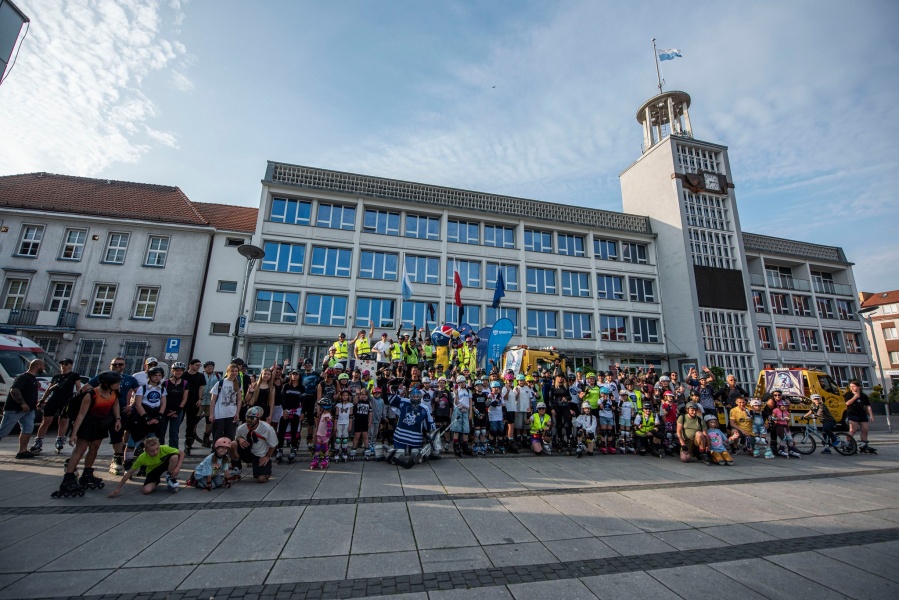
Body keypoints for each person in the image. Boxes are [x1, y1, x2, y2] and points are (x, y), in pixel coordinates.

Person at [51, 371, 122, 498]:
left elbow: (115, 404)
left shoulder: (114, 392)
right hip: (87, 424)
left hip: (101, 423)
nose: (118, 385)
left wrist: (118, 419)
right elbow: (81, 415)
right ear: (106, 384)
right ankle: (68, 479)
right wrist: (74, 433)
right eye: (116, 383)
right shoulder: (91, 394)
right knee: (80, 450)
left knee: (94, 448)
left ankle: (87, 474)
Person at [30, 357, 81, 455]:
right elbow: (49, 389)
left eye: (66, 364)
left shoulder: (74, 375)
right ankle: (38, 442)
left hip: (66, 400)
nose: (64, 366)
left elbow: (78, 387)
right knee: (46, 421)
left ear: (71, 365)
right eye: (62, 364)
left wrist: (78, 399)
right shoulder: (56, 376)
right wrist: (42, 400)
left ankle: (60, 440)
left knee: (63, 421)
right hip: (54, 399)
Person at [109, 435, 184, 497]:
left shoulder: (164, 448)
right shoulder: (142, 457)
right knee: (146, 490)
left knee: (174, 457)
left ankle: (170, 477)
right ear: (146, 450)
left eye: (157, 449)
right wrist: (118, 488)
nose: (155, 452)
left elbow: (181, 453)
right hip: (152, 471)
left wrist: (178, 467)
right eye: (152, 451)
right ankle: (156, 481)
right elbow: (130, 472)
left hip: (164, 464)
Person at [125, 366, 167, 469]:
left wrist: (159, 416)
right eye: (154, 375)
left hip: (155, 416)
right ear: (149, 376)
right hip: (141, 417)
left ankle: (146, 465)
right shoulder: (142, 388)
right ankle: (128, 464)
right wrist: (146, 417)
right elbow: (138, 404)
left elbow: (163, 403)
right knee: (132, 442)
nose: (157, 378)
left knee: (151, 443)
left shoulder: (162, 389)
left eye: (159, 375)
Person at [0, 359, 43, 459]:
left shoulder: (32, 378)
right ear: (38, 366)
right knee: (3, 430)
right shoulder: (23, 377)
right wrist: (22, 403)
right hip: (15, 409)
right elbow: (14, 390)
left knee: (28, 429)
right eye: (43, 366)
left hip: (29, 410)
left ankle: (22, 451)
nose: (44, 368)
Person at [386, 387, 435, 467]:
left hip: (415, 438)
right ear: (410, 396)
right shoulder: (404, 401)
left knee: (415, 454)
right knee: (399, 454)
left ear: (420, 397)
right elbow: (391, 399)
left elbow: (430, 423)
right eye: (413, 396)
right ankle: (388, 453)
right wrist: (392, 388)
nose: (415, 398)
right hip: (400, 436)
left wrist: (432, 433)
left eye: (417, 396)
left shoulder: (424, 408)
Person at [231, 406, 277, 483]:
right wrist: (239, 439)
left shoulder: (267, 429)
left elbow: (273, 444)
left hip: (259, 455)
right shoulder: (241, 428)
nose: (249, 420)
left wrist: (267, 456)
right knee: (233, 444)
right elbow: (236, 438)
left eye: (252, 418)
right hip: (247, 452)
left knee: (261, 479)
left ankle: (267, 467)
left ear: (258, 419)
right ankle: (236, 467)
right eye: (247, 417)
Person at [158, 362, 188, 449]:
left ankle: (173, 451)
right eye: (177, 370)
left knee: (174, 432)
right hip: (165, 410)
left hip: (178, 411)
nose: (179, 372)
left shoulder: (185, 383)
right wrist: (167, 410)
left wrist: (178, 410)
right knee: (161, 432)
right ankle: (161, 450)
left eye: (180, 371)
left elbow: (185, 398)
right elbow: (162, 397)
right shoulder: (166, 383)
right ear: (172, 371)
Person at [209, 363, 243, 441]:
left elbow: (239, 399)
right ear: (228, 372)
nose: (234, 373)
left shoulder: (238, 384)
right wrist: (211, 414)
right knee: (217, 436)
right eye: (232, 371)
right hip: (219, 413)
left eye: (236, 371)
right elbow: (213, 399)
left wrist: (237, 412)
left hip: (231, 413)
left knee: (230, 437)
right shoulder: (220, 383)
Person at [182, 359, 208, 456]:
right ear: (190, 365)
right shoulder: (184, 375)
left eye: (199, 365)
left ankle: (188, 443)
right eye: (196, 365)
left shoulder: (200, 376)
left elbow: (201, 388)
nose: (198, 367)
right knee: (178, 421)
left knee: (191, 423)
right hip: (183, 401)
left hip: (194, 401)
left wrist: (200, 399)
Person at [844, 380, 876, 453]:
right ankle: (848, 443)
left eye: (854, 386)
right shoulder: (848, 394)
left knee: (865, 429)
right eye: (851, 386)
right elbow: (847, 403)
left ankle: (863, 444)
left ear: (859, 387)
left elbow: (868, 406)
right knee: (853, 430)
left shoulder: (863, 396)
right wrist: (855, 397)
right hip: (852, 414)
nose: (852, 388)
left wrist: (871, 415)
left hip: (862, 414)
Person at [199, 361, 221, 447]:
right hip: (201, 401)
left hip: (211, 401)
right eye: (208, 366)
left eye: (211, 366)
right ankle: (191, 438)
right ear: (204, 368)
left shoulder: (217, 376)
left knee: (209, 421)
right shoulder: (201, 375)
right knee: (195, 420)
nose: (210, 368)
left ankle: (206, 437)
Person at [449, 375, 472, 456]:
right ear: (458, 383)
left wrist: (470, 413)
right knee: (457, 429)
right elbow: (455, 403)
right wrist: (456, 395)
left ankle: (465, 446)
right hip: (458, 410)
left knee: (466, 429)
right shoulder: (457, 391)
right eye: (460, 382)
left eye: (463, 382)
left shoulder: (468, 391)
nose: (462, 383)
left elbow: (470, 402)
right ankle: (456, 447)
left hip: (466, 410)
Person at [311, 398, 334, 469]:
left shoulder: (327, 415)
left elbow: (330, 424)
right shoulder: (323, 414)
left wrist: (329, 432)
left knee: (325, 447)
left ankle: (326, 459)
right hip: (320, 433)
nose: (319, 408)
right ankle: (315, 459)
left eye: (320, 406)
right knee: (318, 447)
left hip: (324, 434)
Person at [334, 390, 354, 462]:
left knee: (345, 439)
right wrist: (335, 425)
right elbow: (336, 416)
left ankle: (344, 452)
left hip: (346, 423)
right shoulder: (338, 405)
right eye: (343, 395)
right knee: (338, 439)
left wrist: (350, 425)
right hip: (339, 423)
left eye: (346, 395)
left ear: (348, 396)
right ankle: (336, 452)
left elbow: (351, 416)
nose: (345, 397)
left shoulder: (350, 405)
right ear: (341, 396)